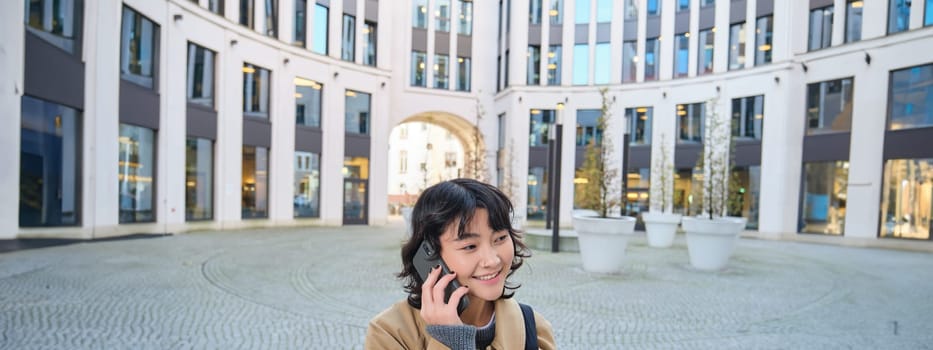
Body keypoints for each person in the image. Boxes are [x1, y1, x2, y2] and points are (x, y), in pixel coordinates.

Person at [366, 178, 555, 349]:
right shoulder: (390, 333)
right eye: (470, 246)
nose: (492, 260)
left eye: (500, 238)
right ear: (430, 256)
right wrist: (450, 340)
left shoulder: (533, 329)